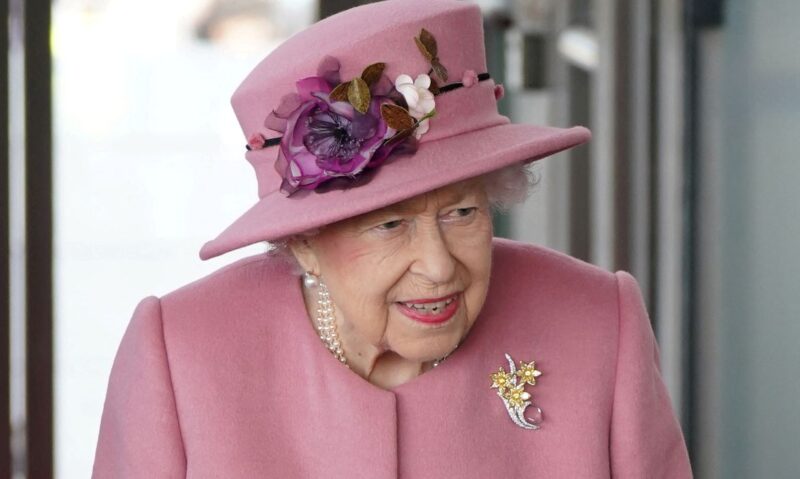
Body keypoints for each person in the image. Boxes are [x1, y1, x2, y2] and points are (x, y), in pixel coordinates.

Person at [92, 0, 692, 477]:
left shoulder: (596, 323)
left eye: (462, 212)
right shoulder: (182, 354)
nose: (438, 266)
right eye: (389, 224)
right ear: (303, 242)